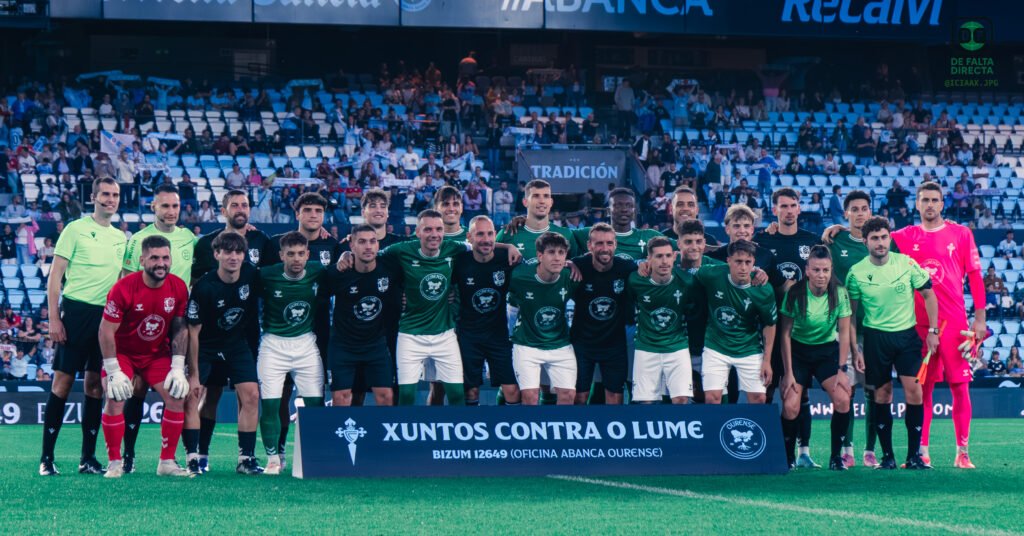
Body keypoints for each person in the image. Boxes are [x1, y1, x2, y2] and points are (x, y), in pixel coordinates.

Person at [889, 181, 986, 469]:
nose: (930, 205)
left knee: (960, 387)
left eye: (935, 200)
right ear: (917, 205)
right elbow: (870, 235)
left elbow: (976, 277)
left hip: (955, 324)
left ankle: (963, 451)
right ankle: (922, 450)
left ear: (943, 204)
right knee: (922, 388)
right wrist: (839, 230)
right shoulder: (905, 236)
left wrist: (979, 318)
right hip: (918, 324)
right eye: (924, 200)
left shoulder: (961, 233)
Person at [39, 177, 126, 476]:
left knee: (94, 385)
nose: (110, 199)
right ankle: (46, 458)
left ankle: (87, 458)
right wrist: (54, 318)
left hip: (106, 318)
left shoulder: (120, 238)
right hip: (75, 313)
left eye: (115, 194)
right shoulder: (74, 229)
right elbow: (55, 278)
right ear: (93, 197)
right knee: (62, 383)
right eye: (105, 194)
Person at [846, 216, 938, 470]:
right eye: (875, 238)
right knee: (882, 395)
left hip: (906, 337)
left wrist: (933, 330)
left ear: (889, 238)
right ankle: (887, 456)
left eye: (884, 237)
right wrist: (856, 349)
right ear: (865, 241)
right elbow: (851, 315)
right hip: (876, 339)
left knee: (914, 392)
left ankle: (914, 456)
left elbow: (929, 294)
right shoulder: (857, 273)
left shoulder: (906, 263)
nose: (880, 242)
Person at [187, 189, 270, 473]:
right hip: (207, 345)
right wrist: (193, 370)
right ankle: (197, 455)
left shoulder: (252, 272)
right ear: (217, 254)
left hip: (238, 343)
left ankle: (246, 458)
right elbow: (193, 330)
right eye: (228, 253)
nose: (234, 257)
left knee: (251, 395)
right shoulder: (204, 286)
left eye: (239, 252)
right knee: (204, 396)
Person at [116, 184, 197, 471]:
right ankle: (128, 455)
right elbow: (125, 280)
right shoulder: (138, 240)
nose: (171, 212)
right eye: (165, 206)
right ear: (154, 207)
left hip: (176, 327)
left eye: (175, 206)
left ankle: (182, 457)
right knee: (135, 390)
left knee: (180, 388)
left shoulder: (189, 238)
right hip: (143, 327)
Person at [97, 235, 190, 478]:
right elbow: (106, 330)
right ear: (142, 260)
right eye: (154, 258)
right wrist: (113, 369)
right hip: (123, 354)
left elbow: (180, 327)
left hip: (156, 355)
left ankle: (167, 462)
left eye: (165, 257)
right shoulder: (124, 287)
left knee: (176, 395)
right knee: (116, 398)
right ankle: (115, 463)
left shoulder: (179, 287)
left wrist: (178, 366)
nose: (161, 263)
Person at [757, 187, 823, 468]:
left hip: (801, 329)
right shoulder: (762, 240)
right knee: (768, 388)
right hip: (771, 324)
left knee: (800, 391)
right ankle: (766, 450)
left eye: (793, 205)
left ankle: (803, 452)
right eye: (782, 206)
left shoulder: (811, 241)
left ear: (799, 209)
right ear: (775, 210)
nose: (788, 210)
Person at [256, 232, 326, 474]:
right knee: (271, 404)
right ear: (281, 255)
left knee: (315, 403)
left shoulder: (318, 270)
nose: (296, 259)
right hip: (273, 345)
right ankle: (273, 459)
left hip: (306, 344)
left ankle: (315, 455)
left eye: (300, 254)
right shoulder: (266, 275)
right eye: (290, 254)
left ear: (308, 254)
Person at [779, 245, 853, 471]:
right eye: (817, 270)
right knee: (791, 406)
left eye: (826, 270)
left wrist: (842, 370)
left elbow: (843, 332)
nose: (822, 275)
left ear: (831, 270)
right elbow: (784, 334)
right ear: (807, 270)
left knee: (842, 399)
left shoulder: (839, 292)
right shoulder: (795, 293)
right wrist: (788, 373)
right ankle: (788, 457)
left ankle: (835, 457)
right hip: (799, 352)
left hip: (826, 352)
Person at [823, 189, 879, 467]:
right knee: (847, 389)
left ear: (871, 212)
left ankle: (871, 450)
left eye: (864, 208)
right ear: (846, 213)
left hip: (874, 328)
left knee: (874, 390)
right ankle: (847, 449)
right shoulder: (835, 240)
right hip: (842, 328)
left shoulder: (882, 243)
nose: (860, 213)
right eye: (854, 209)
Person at [325, 225, 402, 407]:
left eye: (372, 241)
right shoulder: (337, 273)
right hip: (344, 345)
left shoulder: (389, 269)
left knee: (386, 397)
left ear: (378, 245)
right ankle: (341, 434)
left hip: (375, 344)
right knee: (341, 398)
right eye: (362, 242)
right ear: (351, 245)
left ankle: (383, 435)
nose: (368, 246)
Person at [695, 240, 777, 404]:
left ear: (754, 263)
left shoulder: (763, 289)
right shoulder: (711, 274)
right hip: (716, 346)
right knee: (712, 398)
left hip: (749, 347)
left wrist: (767, 361)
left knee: (759, 399)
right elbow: (690, 266)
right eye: (738, 262)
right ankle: (715, 430)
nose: (743, 267)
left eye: (748, 262)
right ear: (728, 261)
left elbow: (770, 324)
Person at [452, 216, 520, 406]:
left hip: (498, 335)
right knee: (471, 390)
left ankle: (511, 431)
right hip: (468, 335)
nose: (487, 239)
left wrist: (507, 247)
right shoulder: (460, 261)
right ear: (469, 237)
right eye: (480, 234)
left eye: (490, 233)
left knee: (512, 390)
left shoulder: (506, 259)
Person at [507, 232, 579, 405]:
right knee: (530, 398)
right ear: (540, 256)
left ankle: (560, 431)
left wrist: (573, 263)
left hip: (560, 343)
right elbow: (511, 307)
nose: (557, 258)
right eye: (551, 252)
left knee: (568, 396)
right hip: (527, 344)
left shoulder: (571, 276)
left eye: (561, 253)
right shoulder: (519, 276)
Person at [570, 223, 636, 405]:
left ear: (615, 245)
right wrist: (569, 263)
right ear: (589, 246)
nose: (604, 249)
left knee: (615, 397)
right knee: (579, 396)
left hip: (614, 344)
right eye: (599, 244)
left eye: (609, 243)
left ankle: (613, 432)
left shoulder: (627, 267)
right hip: (582, 344)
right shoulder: (578, 265)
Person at [628, 236, 697, 404]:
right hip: (646, 347)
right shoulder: (635, 280)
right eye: (658, 256)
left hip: (677, 346)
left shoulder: (687, 282)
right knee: (645, 403)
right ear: (649, 259)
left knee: (681, 399)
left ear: (674, 257)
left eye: (667, 256)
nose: (664, 261)